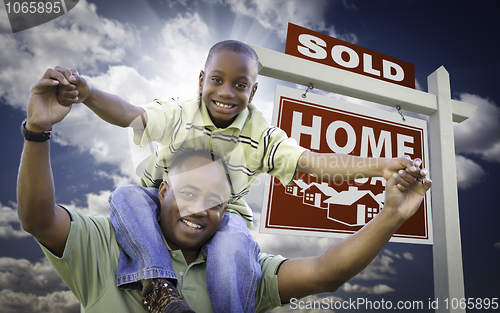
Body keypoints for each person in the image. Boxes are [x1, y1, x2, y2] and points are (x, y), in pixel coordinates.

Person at [50, 40, 426, 313]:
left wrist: (379, 166)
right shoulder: (180, 111)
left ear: (254, 89)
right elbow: (131, 114)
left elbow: (314, 163)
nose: (226, 93)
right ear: (201, 80)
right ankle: (160, 285)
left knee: (232, 248)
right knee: (126, 196)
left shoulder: (262, 135)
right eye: (217, 80)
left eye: (240, 85)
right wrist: (89, 93)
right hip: (160, 202)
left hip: (224, 215)